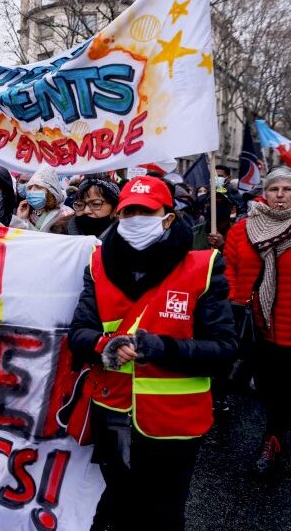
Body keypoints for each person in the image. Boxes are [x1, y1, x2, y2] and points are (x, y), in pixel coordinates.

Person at [65, 175, 236, 531]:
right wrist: (104, 347)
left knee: (163, 515)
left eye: (146, 211)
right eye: (128, 212)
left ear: (168, 217)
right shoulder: (98, 264)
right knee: (116, 508)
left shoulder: (203, 268)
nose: (135, 219)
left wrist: (164, 348)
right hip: (113, 414)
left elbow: (224, 348)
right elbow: (79, 333)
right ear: (117, 217)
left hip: (175, 423)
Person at [222, 167, 291, 474]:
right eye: (275, 189)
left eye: (287, 189)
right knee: (265, 387)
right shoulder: (242, 229)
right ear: (265, 192)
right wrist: (235, 305)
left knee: (284, 389)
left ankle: (273, 439)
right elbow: (231, 271)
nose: (280, 195)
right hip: (258, 326)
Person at [11, 163, 73, 233]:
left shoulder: (65, 214)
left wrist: (23, 223)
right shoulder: (29, 213)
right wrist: (21, 219)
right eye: (30, 188)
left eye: (38, 187)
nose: (32, 191)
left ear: (51, 191)